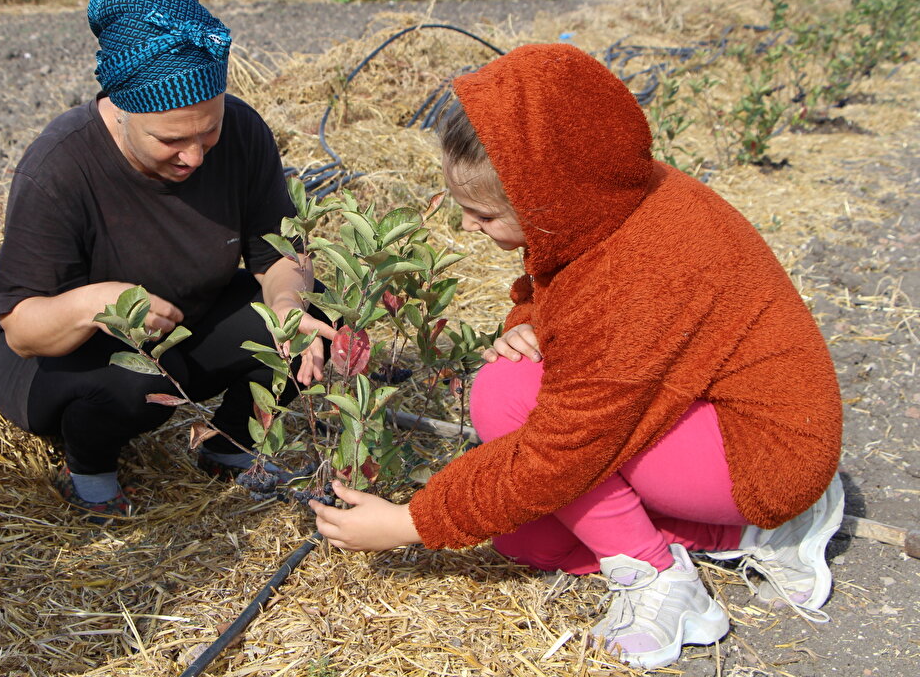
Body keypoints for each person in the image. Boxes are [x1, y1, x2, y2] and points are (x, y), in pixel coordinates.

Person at [310, 44, 845, 670]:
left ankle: (660, 581)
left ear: (547, 201)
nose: (467, 226)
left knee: (509, 398)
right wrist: (530, 322)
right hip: (707, 422)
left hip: (765, 453)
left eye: (482, 214)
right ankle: (740, 535)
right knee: (527, 538)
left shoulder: (637, 270)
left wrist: (413, 522)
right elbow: (561, 289)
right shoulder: (604, 194)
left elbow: (565, 450)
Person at [0, 0, 333, 517]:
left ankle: (230, 445)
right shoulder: (60, 167)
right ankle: (88, 474)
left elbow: (279, 256)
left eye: (208, 131)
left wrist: (287, 303)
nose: (195, 156)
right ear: (121, 111)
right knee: (134, 382)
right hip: (57, 356)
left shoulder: (242, 134)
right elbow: (21, 329)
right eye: (170, 140)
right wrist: (98, 304)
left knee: (316, 320)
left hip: (179, 320)